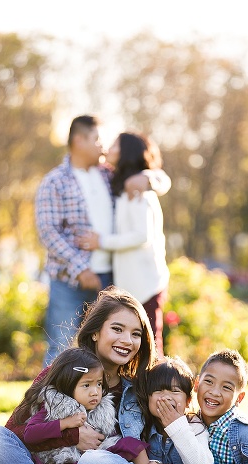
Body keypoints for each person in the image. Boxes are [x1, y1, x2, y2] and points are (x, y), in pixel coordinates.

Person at [0, 286, 234, 464]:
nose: (126, 340)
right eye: (117, 329)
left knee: (95, 461)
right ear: (95, 333)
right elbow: (18, 434)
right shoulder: (62, 374)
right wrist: (70, 437)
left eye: (136, 334)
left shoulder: (139, 389)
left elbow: (150, 447)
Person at [35, 116, 171, 367]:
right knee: (60, 345)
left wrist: (150, 179)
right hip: (70, 280)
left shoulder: (110, 175)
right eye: (97, 139)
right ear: (79, 140)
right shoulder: (55, 181)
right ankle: (49, 404)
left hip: (111, 279)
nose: (104, 146)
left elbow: (157, 175)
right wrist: (81, 269)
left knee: (107, 349)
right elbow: (49, 232)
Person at [16, 347, 148, 464]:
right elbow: (31, 434)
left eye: (99, 385)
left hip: (98, 463)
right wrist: (64, 423)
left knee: (133, 445)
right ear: (68, 386)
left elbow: (107, 438)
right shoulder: (55, 406)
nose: (95, 392)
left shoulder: (103, 408)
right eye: (86, 385)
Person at [83, 132, 169, 357]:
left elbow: (142, 236)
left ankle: (160, 391)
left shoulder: (139, 189)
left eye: (115, 145)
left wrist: (101, 242)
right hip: (132, 283)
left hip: (147, 283)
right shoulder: (123, 186)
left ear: (127, 152)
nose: (108, 149)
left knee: (150, 346)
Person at [139, 356, 246, 464]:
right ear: (148, 398)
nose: (166, 397)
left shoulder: (194, 426)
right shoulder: (144, 429)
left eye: (175, 391)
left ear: (188, 400)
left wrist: (176, 426)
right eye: (159, 391)